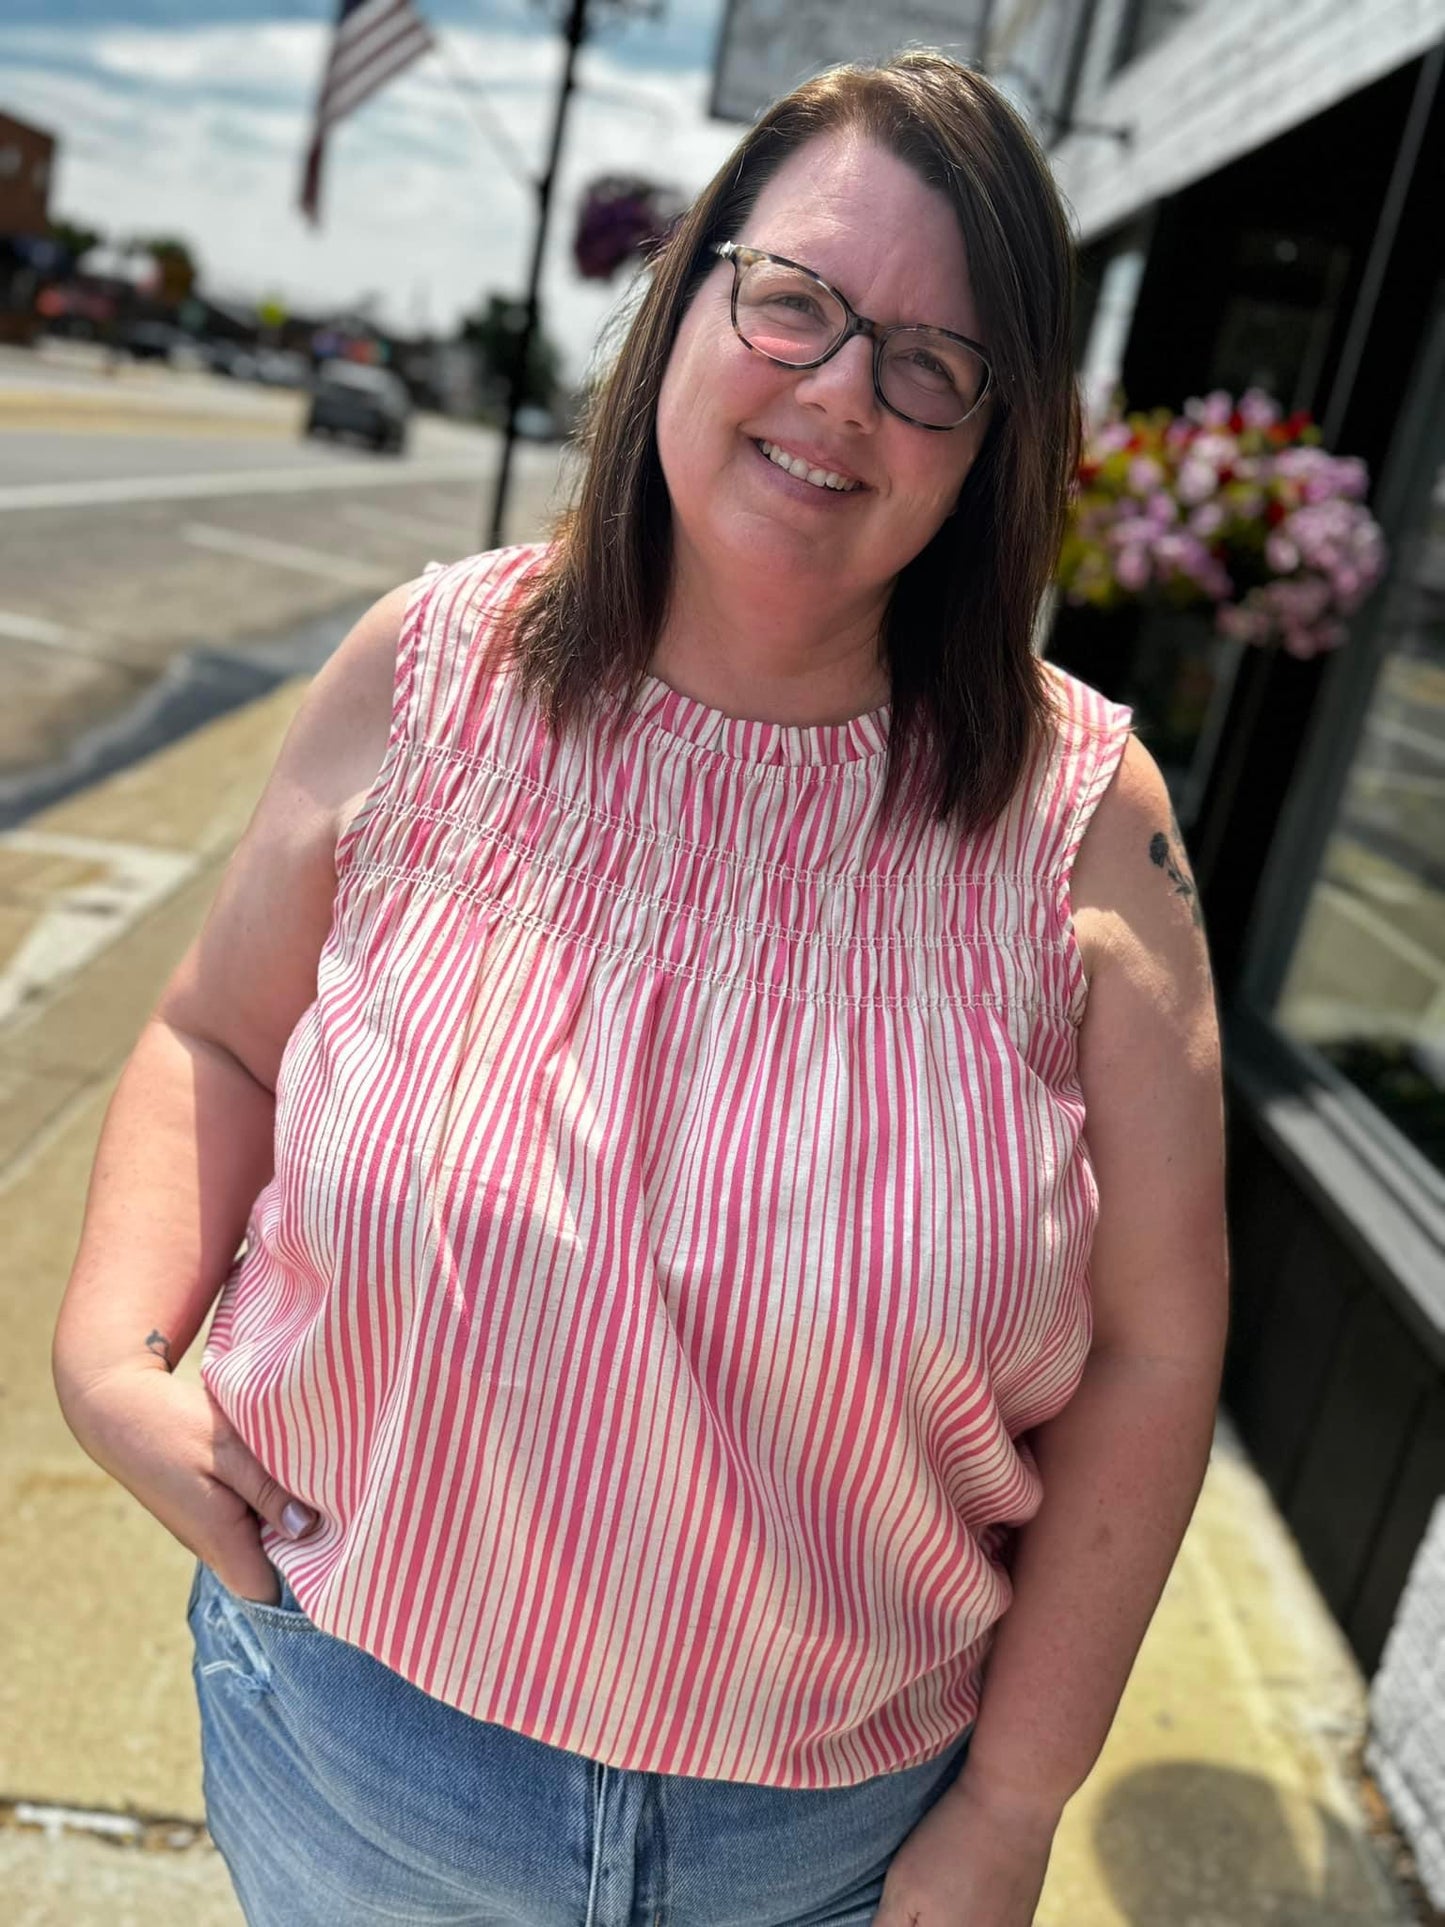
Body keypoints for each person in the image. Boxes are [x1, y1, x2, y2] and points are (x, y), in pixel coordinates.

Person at [52, 51, 1227, 1927]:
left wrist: (1014, 1804)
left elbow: (1159, 1347)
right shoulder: (430, 671)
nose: (843, 387)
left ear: (997, 439)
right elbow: (214, 1034)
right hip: (355, 1752)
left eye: (933, 360)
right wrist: (111, 1355)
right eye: (797, 302)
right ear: (691, 295)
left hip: (828, 1846)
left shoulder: (1082, 822)